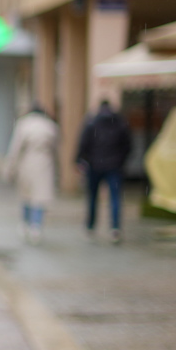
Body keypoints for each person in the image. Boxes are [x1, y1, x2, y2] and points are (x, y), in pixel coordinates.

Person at [75, 98, 132, 243]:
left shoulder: (92, 122)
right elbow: (128, 145)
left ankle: (91, 225)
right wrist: (120, 161)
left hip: (95, 166)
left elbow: (83, 143)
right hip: (114, 166)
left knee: (93, 197)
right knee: (115, 198)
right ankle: (115, 228)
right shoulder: (120, 122)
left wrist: (80, 159)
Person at [5, 105, 59, 244]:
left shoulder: (23, 124)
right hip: (44, 162)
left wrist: (10, 168)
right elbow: (56, 148)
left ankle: (25, 224)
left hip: (27, 162)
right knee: (40, 196)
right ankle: (37, 226)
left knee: (27, 196)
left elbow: (15, 148)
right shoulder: (50, 125)